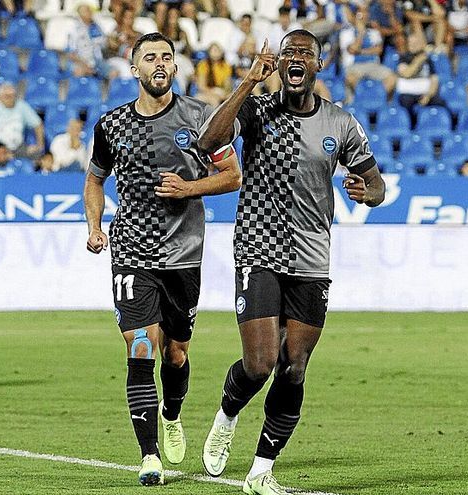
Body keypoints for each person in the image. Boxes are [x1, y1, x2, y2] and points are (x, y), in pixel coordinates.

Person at [196, 31, 386, 494]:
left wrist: (368, 195)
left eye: (305, 52)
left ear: (319, 64)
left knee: (294, 364)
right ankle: (227, 415)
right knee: (260, 363)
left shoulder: (341, 123)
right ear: (278, 63)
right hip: (259, 246)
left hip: (312, 256)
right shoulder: (258, 111)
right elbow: (208, 142)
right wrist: (246, 83)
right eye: (288, 53)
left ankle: (261, 469)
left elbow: (377, 183)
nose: (296, 58)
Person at [83, 32, 241, 487]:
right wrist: (95, 227)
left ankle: (172, 414)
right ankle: (149, 455)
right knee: (140, 346)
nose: (159, 63)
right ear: (134, 69)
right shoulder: (110, 126)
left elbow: (232, 176)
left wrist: (188, 188)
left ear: (175, 67)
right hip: (132, 250)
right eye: (149, 57)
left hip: (184, 254)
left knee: (175, 355)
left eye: (166, 57)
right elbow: (95, 181)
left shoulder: (201, 117)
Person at [0, 82, 45, 159]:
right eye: (7, 96)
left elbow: (38, 124)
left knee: (36, 155)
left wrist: (40, 145)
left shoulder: (22, 105)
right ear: (0, 97)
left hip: (18, 146)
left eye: (12, 96)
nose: (10, 99)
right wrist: (5, 151)